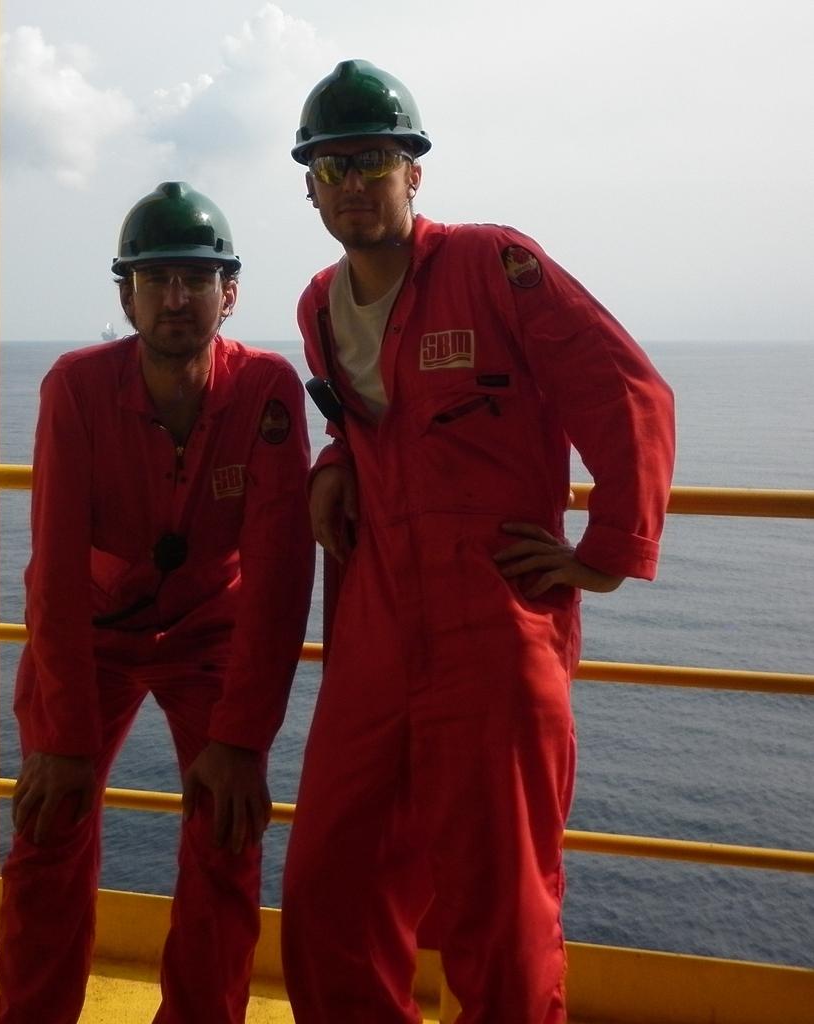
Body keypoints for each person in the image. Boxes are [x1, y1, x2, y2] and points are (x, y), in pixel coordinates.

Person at [280, 60, 676, 1024]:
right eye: (332, 167)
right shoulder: (317, 306)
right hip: (376, 624)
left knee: (499, 903)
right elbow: (372, 425)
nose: (353, 183)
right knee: (333, 884)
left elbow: (626, 392)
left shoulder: (495, 267)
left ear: (414, 172)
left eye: (374, 161)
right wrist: (333, 462)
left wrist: (609, 550)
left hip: (493, 623)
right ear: (311, 189)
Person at [0, 181, 314, 1024]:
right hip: (95, 632)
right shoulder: (75, 387)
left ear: (229, 293)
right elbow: (55, 570)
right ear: (125, 296)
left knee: (227, 833)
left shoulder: (267, 389)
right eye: (155, 279)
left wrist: (240, 739)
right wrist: (63, 739)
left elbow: (280, 573)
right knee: (49, 826)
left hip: (210, 631)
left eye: (196, 278)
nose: (176, 298)